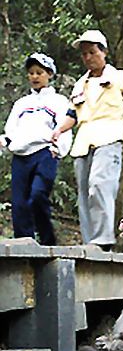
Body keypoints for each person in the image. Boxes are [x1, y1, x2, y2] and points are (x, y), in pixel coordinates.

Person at [52, 29, 123, 251]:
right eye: (84, 54)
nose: (88, 57)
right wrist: (57, 131)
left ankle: (103, 240)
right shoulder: (80, 84)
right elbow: (72, 115)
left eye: (92, 52)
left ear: (103, 52)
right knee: (84, 194)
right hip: (82, 143)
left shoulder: (121, 77)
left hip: (109, 138)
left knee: (100, 186)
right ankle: (89, 242)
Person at [0, 53, 72, 245]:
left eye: (39, 72)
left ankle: (48, 241)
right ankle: (25, 243)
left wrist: (59, 148)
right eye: (31, 73)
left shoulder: (59, 101)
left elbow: (64, 127)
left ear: (49, 74)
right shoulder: (21, 104)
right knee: (19, 203)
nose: (34, 77)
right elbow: (11, 130)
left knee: (37, 195)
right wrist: (5, 142)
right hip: (21, 156)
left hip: (44, 153)